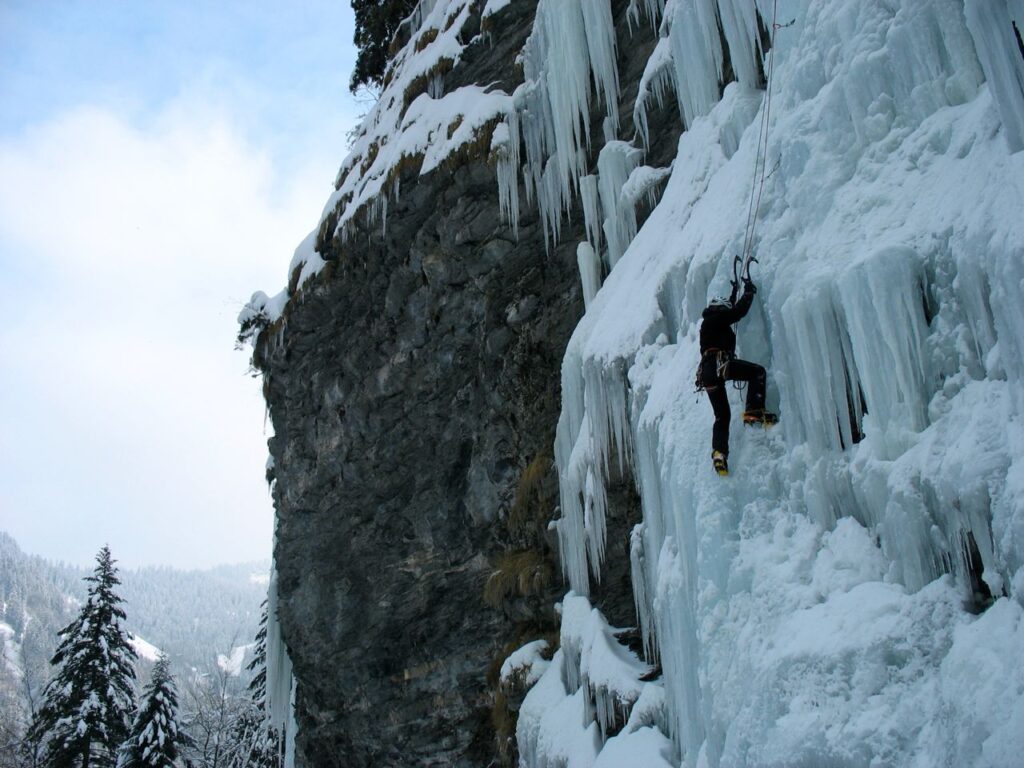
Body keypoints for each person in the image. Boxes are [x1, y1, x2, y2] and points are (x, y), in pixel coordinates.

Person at [696, 273, 777, 476]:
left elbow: (729, 312)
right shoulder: (717, 318)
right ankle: (754, 410)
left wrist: (733, 292)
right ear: (719, 309)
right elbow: (737, 312)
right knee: (757, 372)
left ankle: (719, 453)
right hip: (720, 365)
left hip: (707, 374)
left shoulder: (709, 322)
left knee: (722, 416)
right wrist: (748, 292)